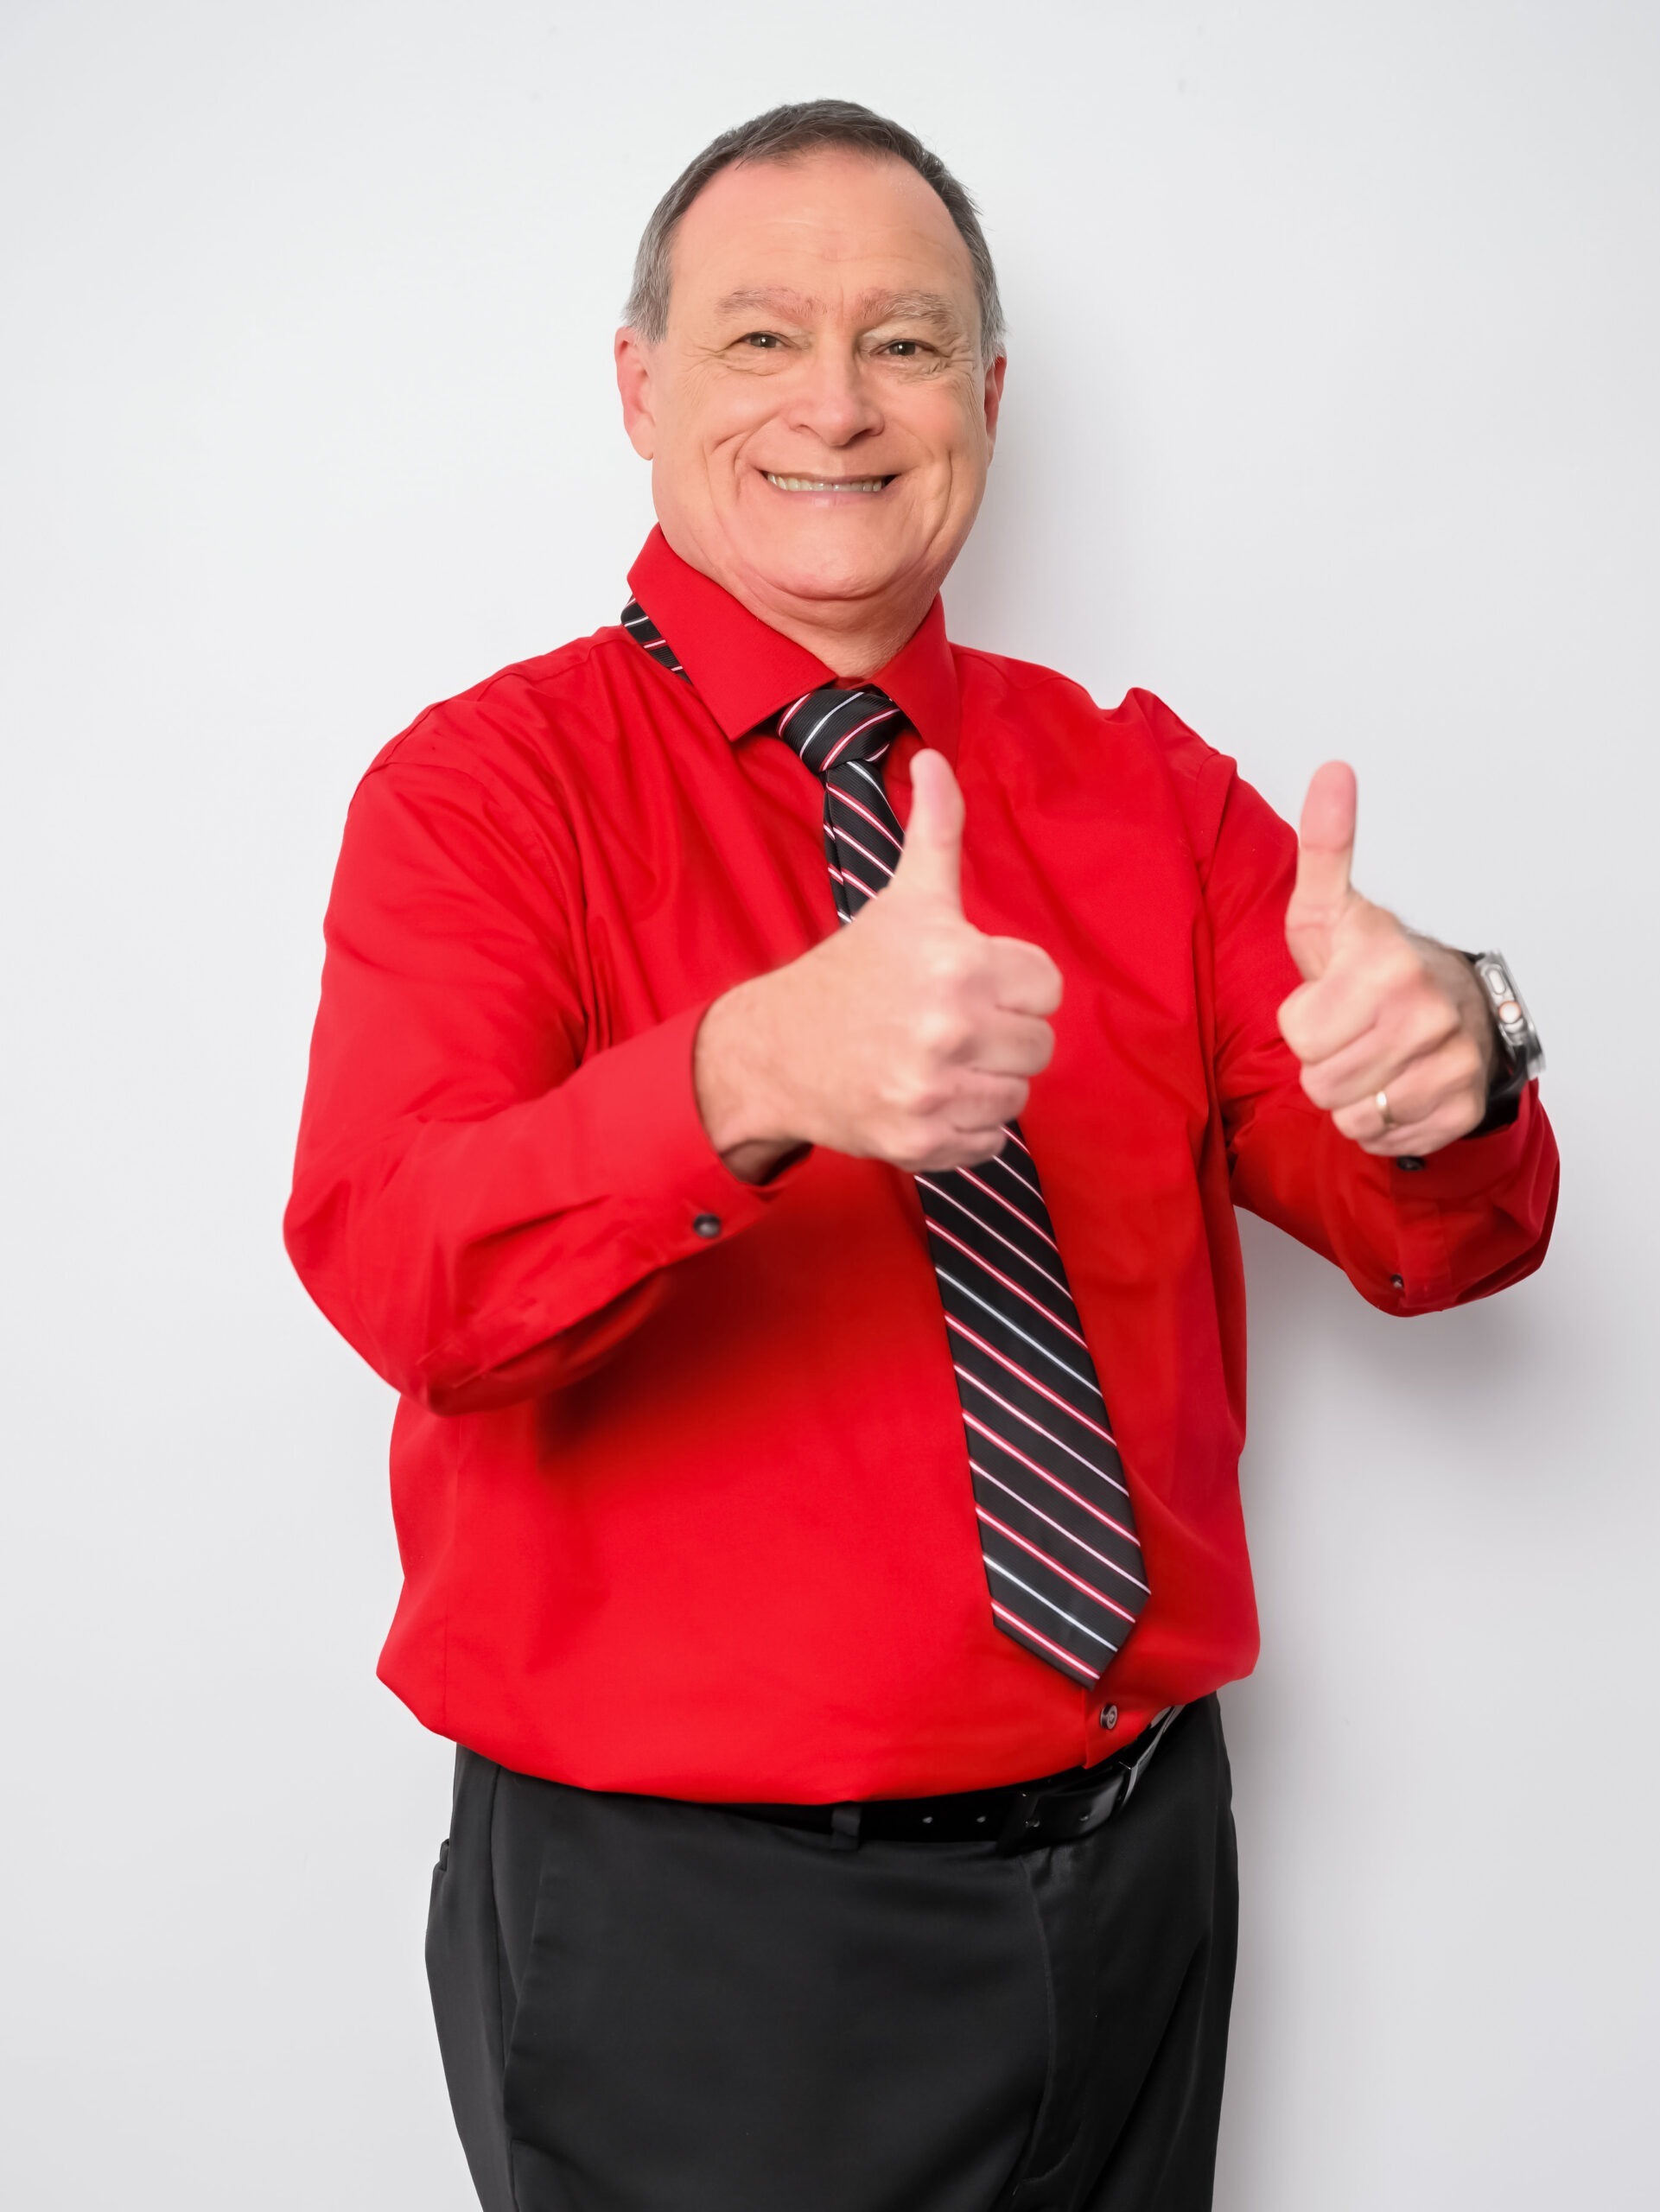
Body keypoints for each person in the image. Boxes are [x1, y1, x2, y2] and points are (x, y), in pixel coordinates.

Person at [285, 99, 1557, 2212]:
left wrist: (1457, 1058)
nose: (839, 405)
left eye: (903, 341)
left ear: (983, 395)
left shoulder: (1144, 787)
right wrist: (744, 1071)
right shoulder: (483, 793)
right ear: (640, 388)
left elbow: (1437, 1240)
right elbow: (403, 1269)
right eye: (762, 339)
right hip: (699, 1928)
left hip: (1141, 1867)